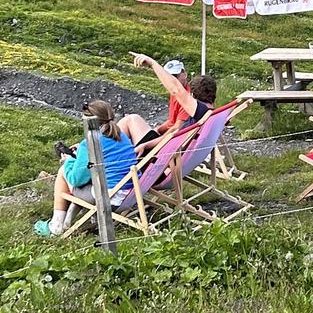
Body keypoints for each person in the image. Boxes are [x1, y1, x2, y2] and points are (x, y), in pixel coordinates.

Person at [34, 99, 138, 237]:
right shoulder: (121, 135)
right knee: (91, 176)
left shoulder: (90, 143)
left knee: (63, 172)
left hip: (110, 199)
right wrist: (81, 153)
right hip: (132, 194)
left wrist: (68, 160)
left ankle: (56, 226)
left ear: (89, 121)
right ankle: (69, 221)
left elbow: (76, 180)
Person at [121, 54, 217, 154]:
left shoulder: (200, 112)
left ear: (192, 95)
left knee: (130, 119)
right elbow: (173, 131)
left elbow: (177, 90)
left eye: (174, 76)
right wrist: (154, 135)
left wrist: (152, 63)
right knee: (132, 119)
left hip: (159, 154)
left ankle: (110, 155)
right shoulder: (215, 115)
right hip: (169, 150)